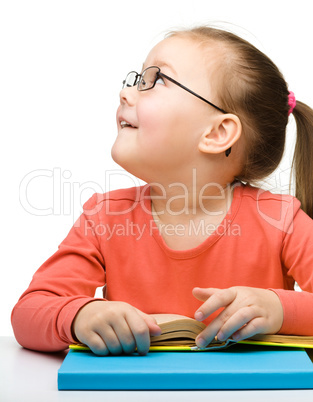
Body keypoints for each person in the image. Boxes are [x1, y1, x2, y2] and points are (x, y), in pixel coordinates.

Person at [11, 26, 313, 356]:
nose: (125, 94)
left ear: (217, 133)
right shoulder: (104, 216)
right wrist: (79, 315)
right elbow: (28, 314)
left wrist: (279, 308)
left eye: (156, 81)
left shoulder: (281, 220)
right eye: (137, 79)